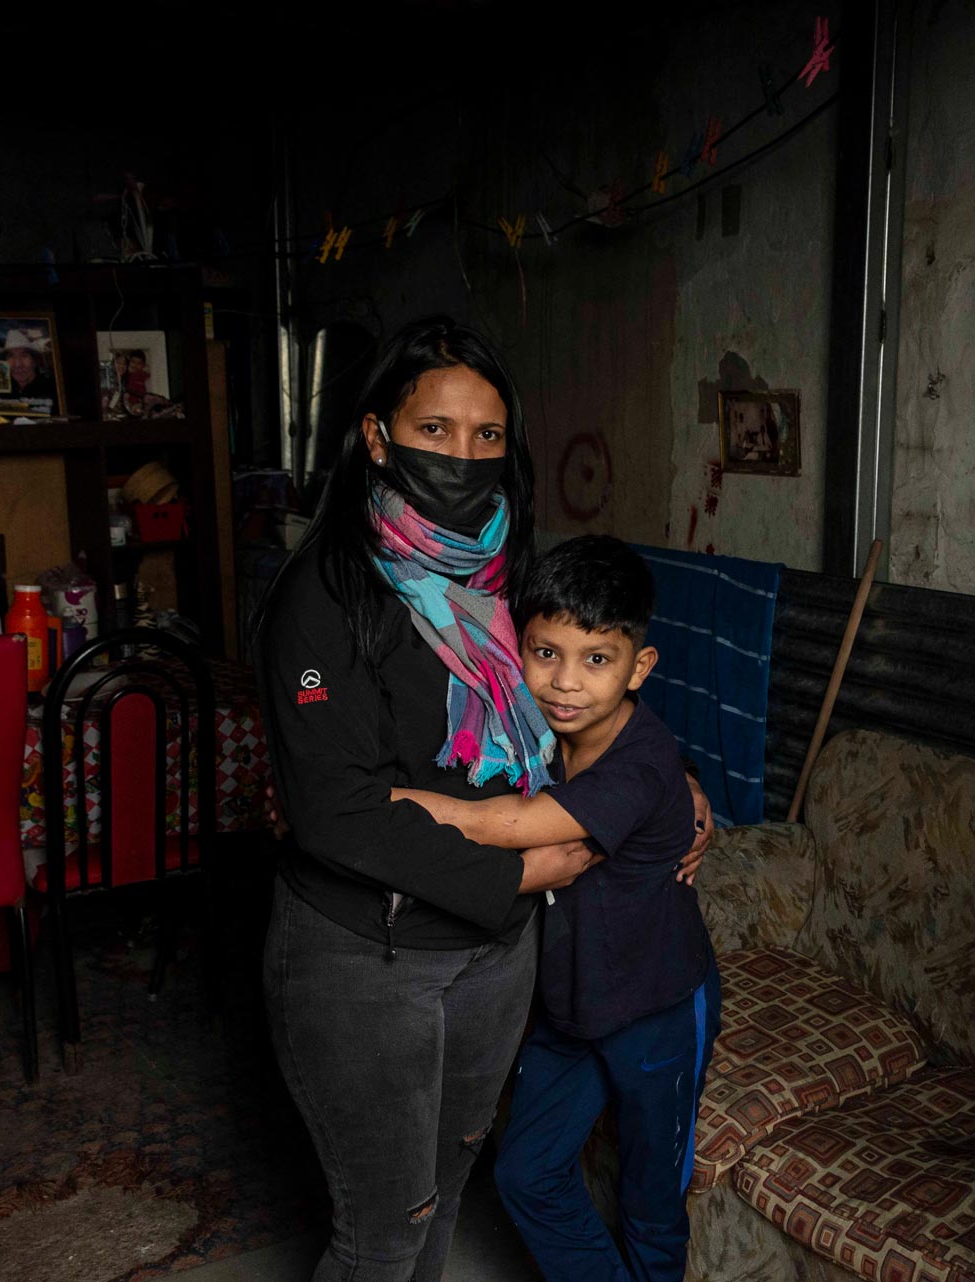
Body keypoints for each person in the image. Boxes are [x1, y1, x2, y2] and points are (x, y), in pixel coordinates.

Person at [255, 315, 713, 1282]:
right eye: (435, 431)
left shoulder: (504, 564)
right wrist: (527, 867)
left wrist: (668, 777)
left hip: (497, 958)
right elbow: (333, 808)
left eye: (487, 436)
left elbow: (578, 685)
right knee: (383, 1229)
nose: (463, 457)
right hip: (368, 960)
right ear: (378, 437)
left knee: (444, 1200)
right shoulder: (323, 592)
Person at [389, 536, 718, 1282]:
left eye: (596, 659)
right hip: (570, 1010)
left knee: (651, 1201)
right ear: (519, 652)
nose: (566, 683)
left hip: (660, 1006)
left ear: (640, 666)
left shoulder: (641, 761)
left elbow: (510, 826)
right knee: (526, 1175)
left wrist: (371, 803)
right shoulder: (528, 734)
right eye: (546, 655)